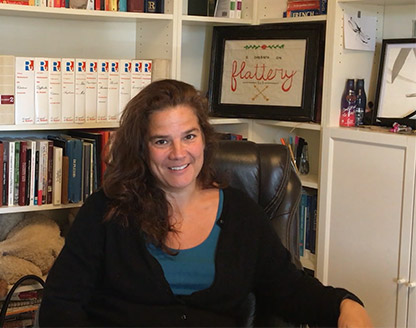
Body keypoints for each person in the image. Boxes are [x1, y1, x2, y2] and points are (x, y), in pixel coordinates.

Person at [38, 79, 373, 327]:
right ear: (141, 148)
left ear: (204, 139)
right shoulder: (106, 212)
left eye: (189, 136)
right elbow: (61, 306)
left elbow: (290, 289)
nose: (178, 153)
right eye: (161, 141)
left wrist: (345, 305)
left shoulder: (241, 214)